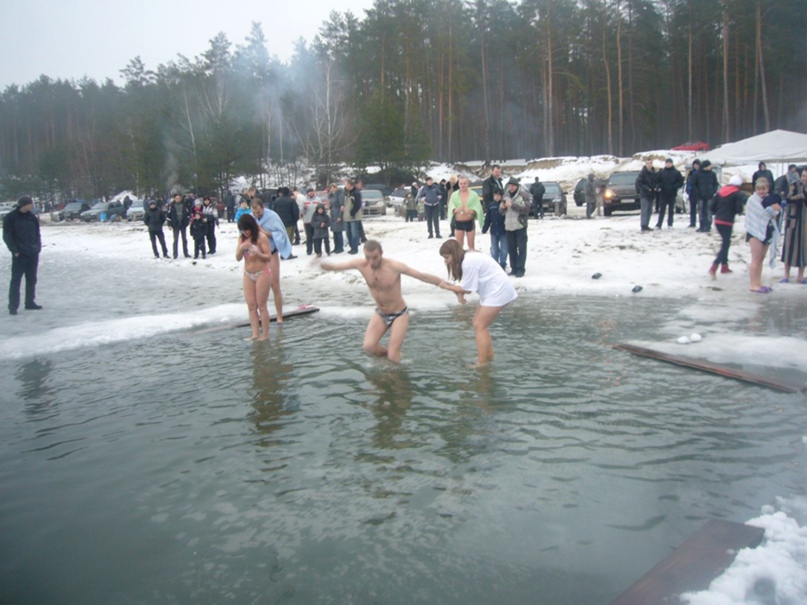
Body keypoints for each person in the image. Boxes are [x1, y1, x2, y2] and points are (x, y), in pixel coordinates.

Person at [320, 240, 445, 363]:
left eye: (375, 257)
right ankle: (393, 355)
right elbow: (335, 267)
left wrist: (445, 284)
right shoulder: (361, 265)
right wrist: (322, 264)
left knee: (392, 356)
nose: (371, 262)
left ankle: (395, 372)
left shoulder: (394, 267)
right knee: (369, 347)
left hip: (399, 314)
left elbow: (421, 276)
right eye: (368, 257)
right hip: (381, 313)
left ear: (381, 253)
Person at [437, 239, 518, 366]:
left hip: (498, 291)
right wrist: (459, 293)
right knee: (477, 324)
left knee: (480, 325)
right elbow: (465, 286)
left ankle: (482, 362)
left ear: (454, 253)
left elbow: (468, 289)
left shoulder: (468, 262)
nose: (445, 261)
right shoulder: (467, 258)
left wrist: (446, 287)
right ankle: (489, 356)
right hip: (491, 291)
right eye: (444, 258)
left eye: (447, 257)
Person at [249, 192, 289, 324]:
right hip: (257, 255)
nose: (257, 215)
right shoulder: (250, 217)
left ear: (263, 208)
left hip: (271, 252)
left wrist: (264, 232)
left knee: (274, 284)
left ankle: (279, 315)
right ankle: (261, 313)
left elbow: (281, 234)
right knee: (258, 287)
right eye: (255, 213)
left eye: (259, 212)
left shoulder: (272, 216)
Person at [236, 214, 273, 340]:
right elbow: (237, 258)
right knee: (251, 306)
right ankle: (255, 334)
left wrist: (258, 254)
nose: (245, 232)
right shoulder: (241, 239)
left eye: (247, 229)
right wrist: (242, 248)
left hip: (262, 272)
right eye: (242, 230)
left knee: (262, 305)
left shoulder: (261, 237)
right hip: (248, 273)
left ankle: (265, 335)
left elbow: (268, 256)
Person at [3, 195, 42, 315]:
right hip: (19, 254)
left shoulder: (31, 217)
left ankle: (30, 302)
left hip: (32, 253)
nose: (33, 206)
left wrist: (38, 247)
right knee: (16, 280)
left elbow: (37, 233)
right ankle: (13, 306)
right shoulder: (11, 217)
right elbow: (7, 236)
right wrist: (14, 250)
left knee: (31, 279)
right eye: (31, 203)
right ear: (24, 205)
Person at [745, 178, 782, 293]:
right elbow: (763, 213)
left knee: (761, 259)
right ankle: (753, 284)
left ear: (767, 189)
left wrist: (777, 210)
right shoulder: (752, 200)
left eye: (763, 189)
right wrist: (772, 210)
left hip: (766, 231)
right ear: (756, 189)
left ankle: (758, 282)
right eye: (759, 189)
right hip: (754, 232)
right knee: (755, 259)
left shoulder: (768, 199)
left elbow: (775, 212)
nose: (761, 191)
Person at [708, 175, 746, 279]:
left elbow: (711, 207)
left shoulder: (720, 192)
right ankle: (715, 265)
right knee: (726, 244)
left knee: (725, 241)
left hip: (718, 220)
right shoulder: (737, 194)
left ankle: (724, 266)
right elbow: (739, 209)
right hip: (727, 221)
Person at [780, 169, 807, 284]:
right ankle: (786, 274)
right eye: (804, 176)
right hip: (794, 221)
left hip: (805, 223)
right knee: (789, 247)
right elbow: (789, 199)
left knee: (804, 249)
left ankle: (800, 276)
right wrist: (801, 196)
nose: (805, 178)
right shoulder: (795, 186)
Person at [502, 177, 531, 277]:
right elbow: (501, 211)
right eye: (509, 186)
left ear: (517, 186)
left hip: (520, 225)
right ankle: (514, 268)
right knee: (511, 249)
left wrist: (512, 205)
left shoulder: (523, 194)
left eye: (513, 186)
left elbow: (527, 208)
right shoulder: (505, 195)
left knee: (522, 248)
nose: (511, 188)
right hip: (509, 226)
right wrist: (502, 208)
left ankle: (520, 269)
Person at [447, 176, 485, 250]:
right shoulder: (454, 195)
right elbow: (451, 208)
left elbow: (478, 208)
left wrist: (471, 211)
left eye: (464, 183)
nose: (463, 185)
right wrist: (457, 209)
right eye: (461, 183)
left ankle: (471, 260)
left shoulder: (473, 194)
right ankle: (460, 261)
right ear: (458, 184)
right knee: (459, 246)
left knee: (471, 246)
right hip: (458, 222)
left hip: (469, 221)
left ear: (467, 184)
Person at [481, 190, 508, 270]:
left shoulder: (504, 205)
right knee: (494, 249)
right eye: (495, 195)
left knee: (504, 249)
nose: (497, 197)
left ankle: (503, 263)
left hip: (504, 230)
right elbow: (488, 218)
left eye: (499, 195)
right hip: (494, 230)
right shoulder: (491, 205)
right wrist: (485, 228)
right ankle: (494, 263)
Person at [656, 158, 684, 229]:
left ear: (672, 163)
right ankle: (659, 224)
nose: (668, 164)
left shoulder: (676, 172)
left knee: (671, 210)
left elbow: (680, 182)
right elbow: (657, 181)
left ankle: (670, 224)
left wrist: (675, 186)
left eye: (669, 163)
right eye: (667, 163)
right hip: (663, 193)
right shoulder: (661, 172)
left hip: (672, 193)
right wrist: (660, 186)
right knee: (662, 210)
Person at [692, 160, 718, 232]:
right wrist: (697, 192)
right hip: (700, 196)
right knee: (701, 211)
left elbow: (715, 184)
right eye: (709, 165)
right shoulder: (697, 174)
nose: (711, 167)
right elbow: (694, 184)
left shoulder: (712, 174)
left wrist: (713, 191)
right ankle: (702, 226)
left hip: (709, 196)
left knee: (709, 211)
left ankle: (708, 225)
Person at [166, 194, 191, 259]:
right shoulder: (171, 206)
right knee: (175, 240)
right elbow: (168, 216)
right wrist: (169, 224)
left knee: (184, 239)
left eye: (179, 198)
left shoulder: (184, 205)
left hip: (183, 224)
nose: (178, 199)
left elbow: (188, 214)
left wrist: (187, 222)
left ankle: (186, 253)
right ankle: (175, 254)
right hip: (175, 225)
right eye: (176, 198)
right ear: (174, 199)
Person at [637, 158, 658, 232]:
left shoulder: (654, 172)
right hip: (644, 194)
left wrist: (655, 187)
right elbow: (639, 183)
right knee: (644, 210)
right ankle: (643, 225)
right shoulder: (642, 173)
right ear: (645, 164)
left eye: (650, 163)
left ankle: (646, 224)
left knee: (649, 210)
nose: (649, 165)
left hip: (651, 194)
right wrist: (647, 188)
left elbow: (656, 181)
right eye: (647, 163)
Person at [343, 179, 362, 254]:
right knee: (348, 232)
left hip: (354, 216)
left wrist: (352, 212)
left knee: (354, 233)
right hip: (347, 215)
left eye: (346, 184)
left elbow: (358, 204)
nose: (345, 186)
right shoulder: (347, 193)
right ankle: (351, 246)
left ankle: (355, 248)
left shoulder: (356, 193)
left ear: (350, 185)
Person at [302, 188, 321, 256]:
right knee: (309, 236)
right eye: (309, 192)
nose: (311, 193)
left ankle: (317, 250)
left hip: (316, 221)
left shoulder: (318, 199)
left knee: (316, 236)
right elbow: (301, 211)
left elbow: (322, 209)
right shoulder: (304, 200)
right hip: (307, 220)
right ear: (307, 193)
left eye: (312, 192)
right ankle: (309, 250)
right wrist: (304, 208)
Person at [327, 183, 345, 254]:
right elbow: (331, 204)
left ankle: (340, 247)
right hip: (332, 213)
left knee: (338, 232)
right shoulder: (331, 196)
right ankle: (336, 247)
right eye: (331, 188)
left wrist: (340, 216)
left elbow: (342, 206)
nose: (333, 189)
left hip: (338, 213)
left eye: (334, 188)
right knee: (334, 232)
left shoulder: (340, 195)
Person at [685, 159, 702, 228]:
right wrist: (688, 190)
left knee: (701, 208)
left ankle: (701, 222)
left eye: (697, 165)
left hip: (699, 193)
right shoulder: (691, 173)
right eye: (695, 165)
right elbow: (688, 181)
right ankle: (692, 222)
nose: (696, 166)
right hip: (692, 193)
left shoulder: (701, 172)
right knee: (692, 209)